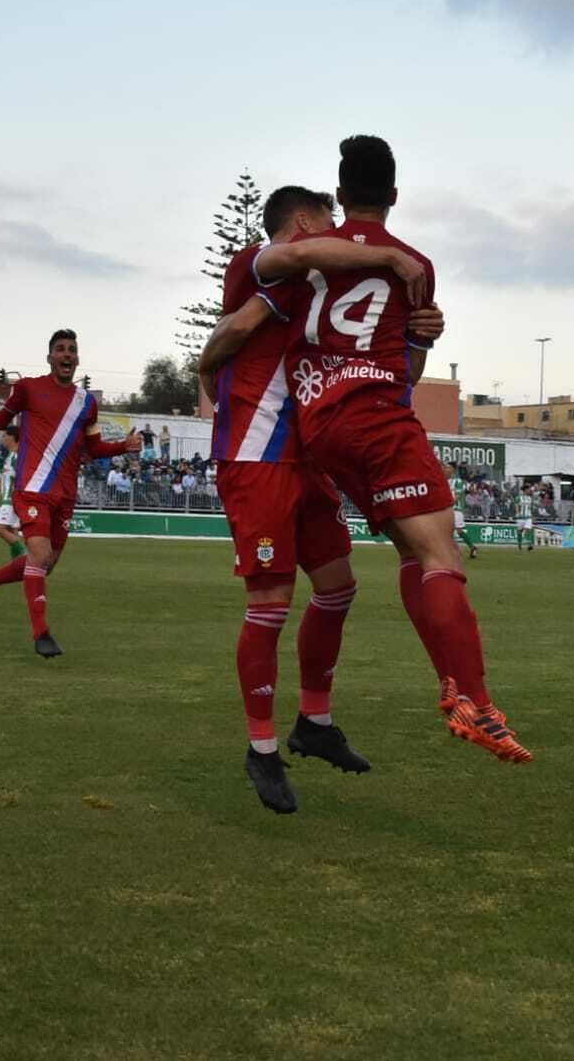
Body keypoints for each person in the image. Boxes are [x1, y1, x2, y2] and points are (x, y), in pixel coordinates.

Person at [205, 139, 530, 767]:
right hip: (354, 423)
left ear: (344, 193)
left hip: (318, 434)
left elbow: (269, 309)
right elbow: (402, 371)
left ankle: (321, 720)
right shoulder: (398, 263)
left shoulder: (300, 274)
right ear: (396, 196)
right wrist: (400, 280)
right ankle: (474, 699)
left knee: (363, 575)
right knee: (438, 554)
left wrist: (420, 331)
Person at [197, 182, 448, 812]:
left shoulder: (317, 287)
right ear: (305, 220)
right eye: (330, 222)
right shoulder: (268, 268)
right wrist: (207, 373)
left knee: (338, 587)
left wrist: (421, 330)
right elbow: (231, 332)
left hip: (309, 459)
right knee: (271, 603)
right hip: (258, 457)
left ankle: (314, 723)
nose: (340, 232)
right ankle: (260, 752)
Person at [0, 329, 142, 657]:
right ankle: (41, 634)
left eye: (72, 350)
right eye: (60, 349)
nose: (66, 354)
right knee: (40, 556)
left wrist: (124, 445)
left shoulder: (86, 403)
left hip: (65, 494)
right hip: (32, 489)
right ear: (49, 357)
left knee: (45, 564)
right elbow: (6, 415)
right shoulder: (28, 388)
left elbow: (94, 447)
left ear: (77, 359)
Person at [0, 427, 26, 559]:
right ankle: (17, 565)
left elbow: (22, 478)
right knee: (12, 531)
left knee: (0, 529)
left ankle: (27, 556)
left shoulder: (17, 456)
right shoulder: (10, 456)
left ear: (12, 437)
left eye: (4, 436)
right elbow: (6, 479)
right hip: (7, 498)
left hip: (12, 499)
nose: (2, 439)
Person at [450, 465, 478, 560]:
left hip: (456, 509)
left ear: (452, 469)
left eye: (447, 467)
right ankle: (472, 548)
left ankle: (469, 548)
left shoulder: (458, 481)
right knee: (450, 530)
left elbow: (457, 496)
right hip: (447, 509)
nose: (444, 469)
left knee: (458, 530)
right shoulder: (445, 481)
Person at [515, 484, 536, 552]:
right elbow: (517, 505)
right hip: (520, 517)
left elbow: (530, 507)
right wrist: (517, 513)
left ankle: (529, 545)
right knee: (519, 532)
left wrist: (531, 515)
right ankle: (520, 545)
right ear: (525, 490)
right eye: (528, 489)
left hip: (528, 516)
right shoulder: (518, 497)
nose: (529, 490)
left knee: (528, 529)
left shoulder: (530, 498)